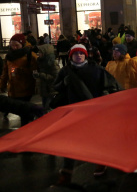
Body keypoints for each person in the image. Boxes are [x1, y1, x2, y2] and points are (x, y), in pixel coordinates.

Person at [52, 44, 122, 185]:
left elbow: (110, 85)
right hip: (72, 111)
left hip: (93, 111)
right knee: (70, 141)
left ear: (85, 55)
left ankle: (101, 163)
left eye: (81, 53)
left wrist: (105, 96)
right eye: (75, 53)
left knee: (98, 139)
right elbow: (55, 87)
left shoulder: (96, 69)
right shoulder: (65, 71)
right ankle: (66, 172)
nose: (79, 56)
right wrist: (63, 84)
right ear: (71, 56)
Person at [0, 34, 38, 125]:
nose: (14, 47)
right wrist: (2, 84)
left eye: (17, 45)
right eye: (12, 45)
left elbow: (35, 72)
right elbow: (5, 72)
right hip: (12, 89)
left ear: (22, 44)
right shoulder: (9, 56)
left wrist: (23, 71)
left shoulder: (30, 55)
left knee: (23, 112)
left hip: (25, 89)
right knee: (19, 109)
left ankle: (26, 127)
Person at [34, 44, 60, 110]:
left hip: (51, 90)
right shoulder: (41, 61)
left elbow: (56, 77)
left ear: (46, 53)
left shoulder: (52, 63)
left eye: (40, 52)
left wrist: (41, 75)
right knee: (45, 107)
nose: (38, 54)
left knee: (48, 108)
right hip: (44, 90)